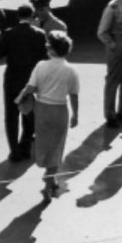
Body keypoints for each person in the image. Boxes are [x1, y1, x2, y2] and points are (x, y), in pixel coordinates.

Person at [16, 31, 80, 201]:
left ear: (51, 49)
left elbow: (30, 87)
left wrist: (20, 98)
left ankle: (50, 177)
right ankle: (49, 179)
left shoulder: (41, 66)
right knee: (57, 147)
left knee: (44, 144)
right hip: (60, 110)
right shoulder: (71, 70)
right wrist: (75, 115)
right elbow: (74, 95)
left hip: (42, 109)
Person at [0, 4, 47, 162]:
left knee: (11, 116)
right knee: (29, 113)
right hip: (30, 80)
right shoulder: (39, 34)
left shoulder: (9, 33)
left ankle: (14, 151)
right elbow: (44, 58)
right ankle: (25, 146)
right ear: (32, 16)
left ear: (18, 16)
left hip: (12, 79)